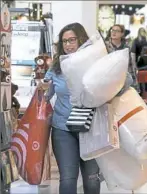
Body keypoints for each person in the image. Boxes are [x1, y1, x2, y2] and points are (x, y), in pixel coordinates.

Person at [38, 23, 101, 194]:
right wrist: (42, 88)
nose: (67, 45)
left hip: (91, 129)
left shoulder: (97, 62)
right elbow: (45, 95)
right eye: (64, 41)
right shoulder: (57, 67)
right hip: (62, 128)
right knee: (67, 178)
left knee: (92, 180)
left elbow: (125, 80)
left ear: (81, 39)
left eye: (71, 40)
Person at [104, 24, 137, 91]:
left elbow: (129, 66)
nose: (114, 32)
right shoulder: (105, 46)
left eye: (117, 31)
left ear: (122, 34)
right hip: (107, 80)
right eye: (112, 30)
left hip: (121, 81)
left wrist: (134, 85)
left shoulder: (126, 48)